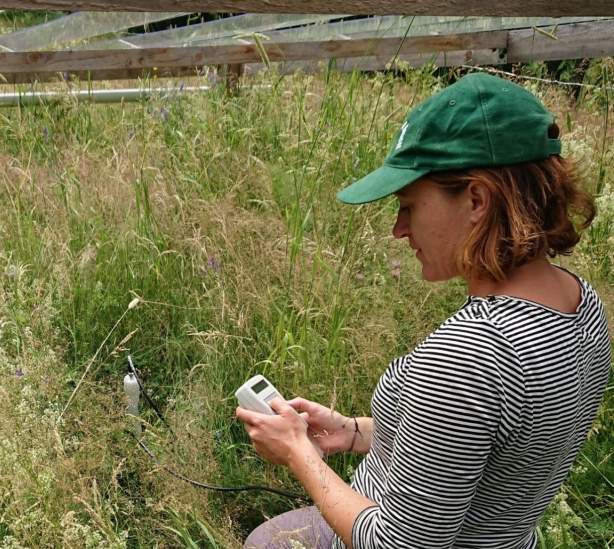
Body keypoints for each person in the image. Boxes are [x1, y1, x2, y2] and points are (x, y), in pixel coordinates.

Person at [236, 72, 611, 549]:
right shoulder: (581, 303)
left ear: (476, 199)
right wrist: (351, 434)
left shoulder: (472, 353)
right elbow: (481, 446)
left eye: (409, 205)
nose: (398, 229)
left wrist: (296, 454)